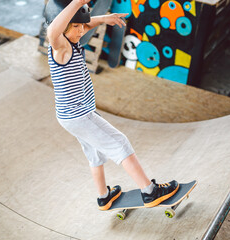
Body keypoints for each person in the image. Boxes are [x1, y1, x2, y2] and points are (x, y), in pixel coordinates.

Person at [45, 0, 179, 211]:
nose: (82, 31)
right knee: (120, 144)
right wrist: (78, 2)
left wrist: (103, 19)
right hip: (80, 116)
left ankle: (103, 197)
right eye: (76, 27)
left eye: (82, 26)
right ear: (62, 27)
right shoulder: (60, 47)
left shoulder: (71, 38)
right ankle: (150, 192)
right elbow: (53, 31)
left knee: (95, 154)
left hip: (70, 116)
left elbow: (84, 24)